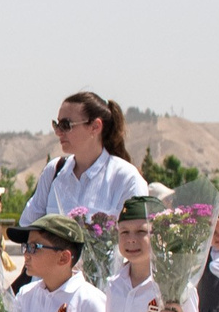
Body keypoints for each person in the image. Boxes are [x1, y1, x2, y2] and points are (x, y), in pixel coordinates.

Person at [19, 91, 150, 226]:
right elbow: (27, 226)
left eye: (66, 125)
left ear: (95, 127)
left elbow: (138, 236)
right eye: (56, 124)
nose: (58, 132)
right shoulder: (54, 171)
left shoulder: (127, 178)